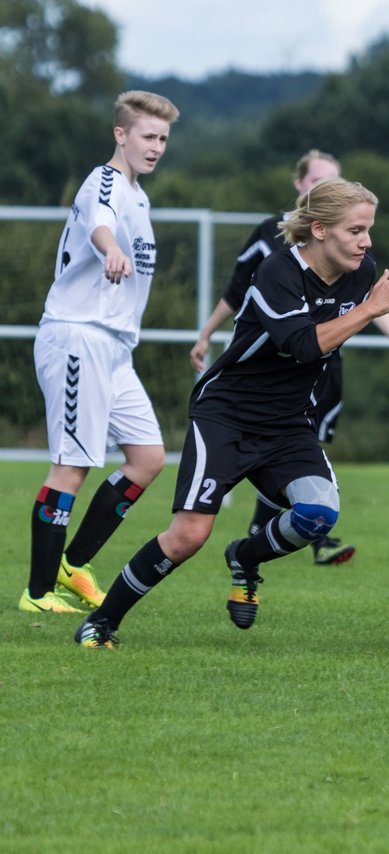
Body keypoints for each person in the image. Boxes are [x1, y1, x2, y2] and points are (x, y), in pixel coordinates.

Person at [74, 179, 389, 648]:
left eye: (369, 230)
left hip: (289, 423)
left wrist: (376, 311)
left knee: (319, 515)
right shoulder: (277, 271)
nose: (367, 241)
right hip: (226, 416)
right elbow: (300, 346)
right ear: (319, 229)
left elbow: (345, 321)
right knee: (188, 536)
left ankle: (245, 557)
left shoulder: (362, 272)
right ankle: (101, 622)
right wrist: (372, 309)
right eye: (356, 230)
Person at [190, 149, 389, 566]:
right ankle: (270, 541)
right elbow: (240, 294)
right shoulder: (272, 246)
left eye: (335, 179)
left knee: (303, 473)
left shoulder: (356, 257)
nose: (365, 239)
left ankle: (271, 543)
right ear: (303, 190)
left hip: (311, 377)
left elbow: (364, 301)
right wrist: (206, 332)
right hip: (262, 377)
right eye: (319, 182)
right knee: (191, 530)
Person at [20, 91, 180, 616]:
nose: (156, 147)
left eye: (162, 138)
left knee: (147, 459)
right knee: (71, 466)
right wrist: (109, 247)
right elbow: (99, 223)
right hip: (77, 337)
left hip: (113, 349)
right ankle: (38, 593)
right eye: (147, 136)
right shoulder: (105, 181)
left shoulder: (141, 195)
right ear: (120, 135)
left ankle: (75, 564)